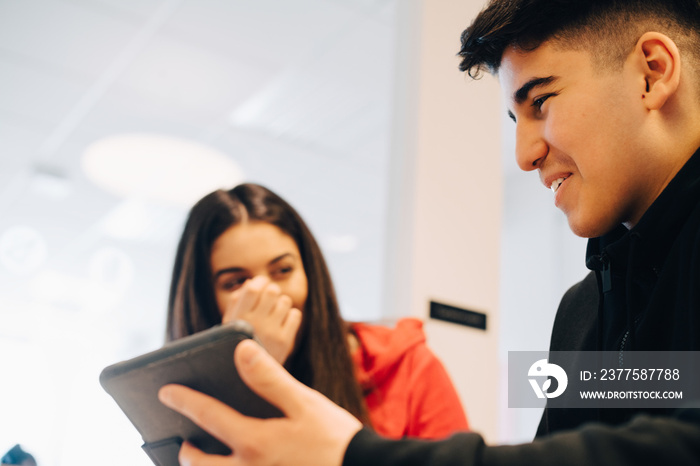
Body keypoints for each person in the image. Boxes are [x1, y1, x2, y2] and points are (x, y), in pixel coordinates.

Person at [157, 0, 700, 464]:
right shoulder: (582, 312)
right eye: (517, 121)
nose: (524, 155)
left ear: (652, 72)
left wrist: (355, 456)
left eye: (541, 102)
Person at [165, 183, 469, 439]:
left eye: (283, 270)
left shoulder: (408, 367)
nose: (267, 294)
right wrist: (247, 374)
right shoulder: (185, 394)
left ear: (309, 272)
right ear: (203, 299)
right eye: (236, 282)